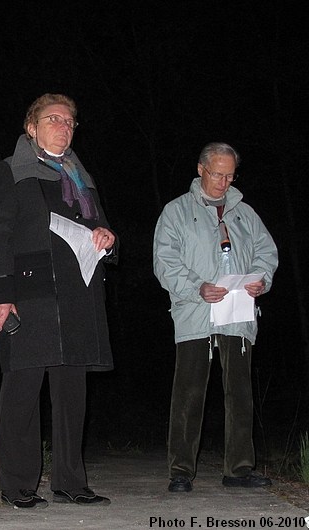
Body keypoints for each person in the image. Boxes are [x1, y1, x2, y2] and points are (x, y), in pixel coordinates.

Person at [0, 93, 116, 509]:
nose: (64, 126)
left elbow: (100, 228)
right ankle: (18, 484)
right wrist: (0, 295)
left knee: (72, 394)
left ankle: (71, 481)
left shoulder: (81, 176)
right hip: (30, 293)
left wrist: (107, 239)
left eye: (70, 121)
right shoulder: (12, 170)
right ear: (32, 127)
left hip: (78, 294)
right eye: (53, 119)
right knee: (22, 391)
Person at [153, 142, 278, 493]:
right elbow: (164, 262)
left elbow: (266, 253)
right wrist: (197, 288)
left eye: (229, 175)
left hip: (238, 315)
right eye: (217, 173)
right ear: (200, 169)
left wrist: (259, 280)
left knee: (240, 394)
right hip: (196, 313)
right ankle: (180, 470)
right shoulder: (176, 212)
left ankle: (238, 469)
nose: (224, 181)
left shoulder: (245, 214)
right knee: (189, 394)